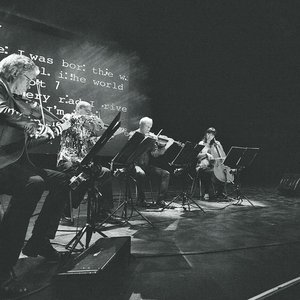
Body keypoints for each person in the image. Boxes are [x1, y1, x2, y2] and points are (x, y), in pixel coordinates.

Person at [0, 54, 71, 297]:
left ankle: (39, 239)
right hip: (2, 163)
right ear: (16, 74)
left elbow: (22, 145)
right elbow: (4, 112)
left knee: (62, 179)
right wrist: (36, 124)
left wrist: (55, 130)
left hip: (14, 162)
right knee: (33, 184)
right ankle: (4, 265)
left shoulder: (16, 99)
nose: (30, 87)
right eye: (29, 80)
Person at [57, 101, 116, 224]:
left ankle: (103, 211)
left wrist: (105, 137)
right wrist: (89, 119)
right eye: (88, 111)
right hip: (68, 159)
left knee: (105, 172)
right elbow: (69, 121)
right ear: (79, 109)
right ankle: (64, 212)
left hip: (83, 161)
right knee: (81, 175)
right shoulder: (69, 117)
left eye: (90, 112)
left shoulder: (87, 127)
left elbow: (90, 143)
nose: (91, 114)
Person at [129, 117, 174, 207]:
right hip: (133, 165)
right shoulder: (133, 135)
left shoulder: (151, 138)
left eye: (150, 127)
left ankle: (160, 200)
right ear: (141, 125)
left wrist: (167, 146)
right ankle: (141, 200)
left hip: (145, 166)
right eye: (147, 127)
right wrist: (147, 140)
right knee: (141, 173)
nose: (149, 129)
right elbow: (133, 150)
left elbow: (155, 154)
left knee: (166, 173)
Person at [196, 127, 226, 201]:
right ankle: (207, 192)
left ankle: (220, 192)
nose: (210, 135)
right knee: (210, 172)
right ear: (206, 134)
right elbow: (196, 156)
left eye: (212, 134)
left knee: (223, 171)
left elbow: (223, 155)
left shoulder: (216, 144)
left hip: (214, 165)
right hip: (202, 166)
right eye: (208, 133)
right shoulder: (201, 143)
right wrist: (206, 154)